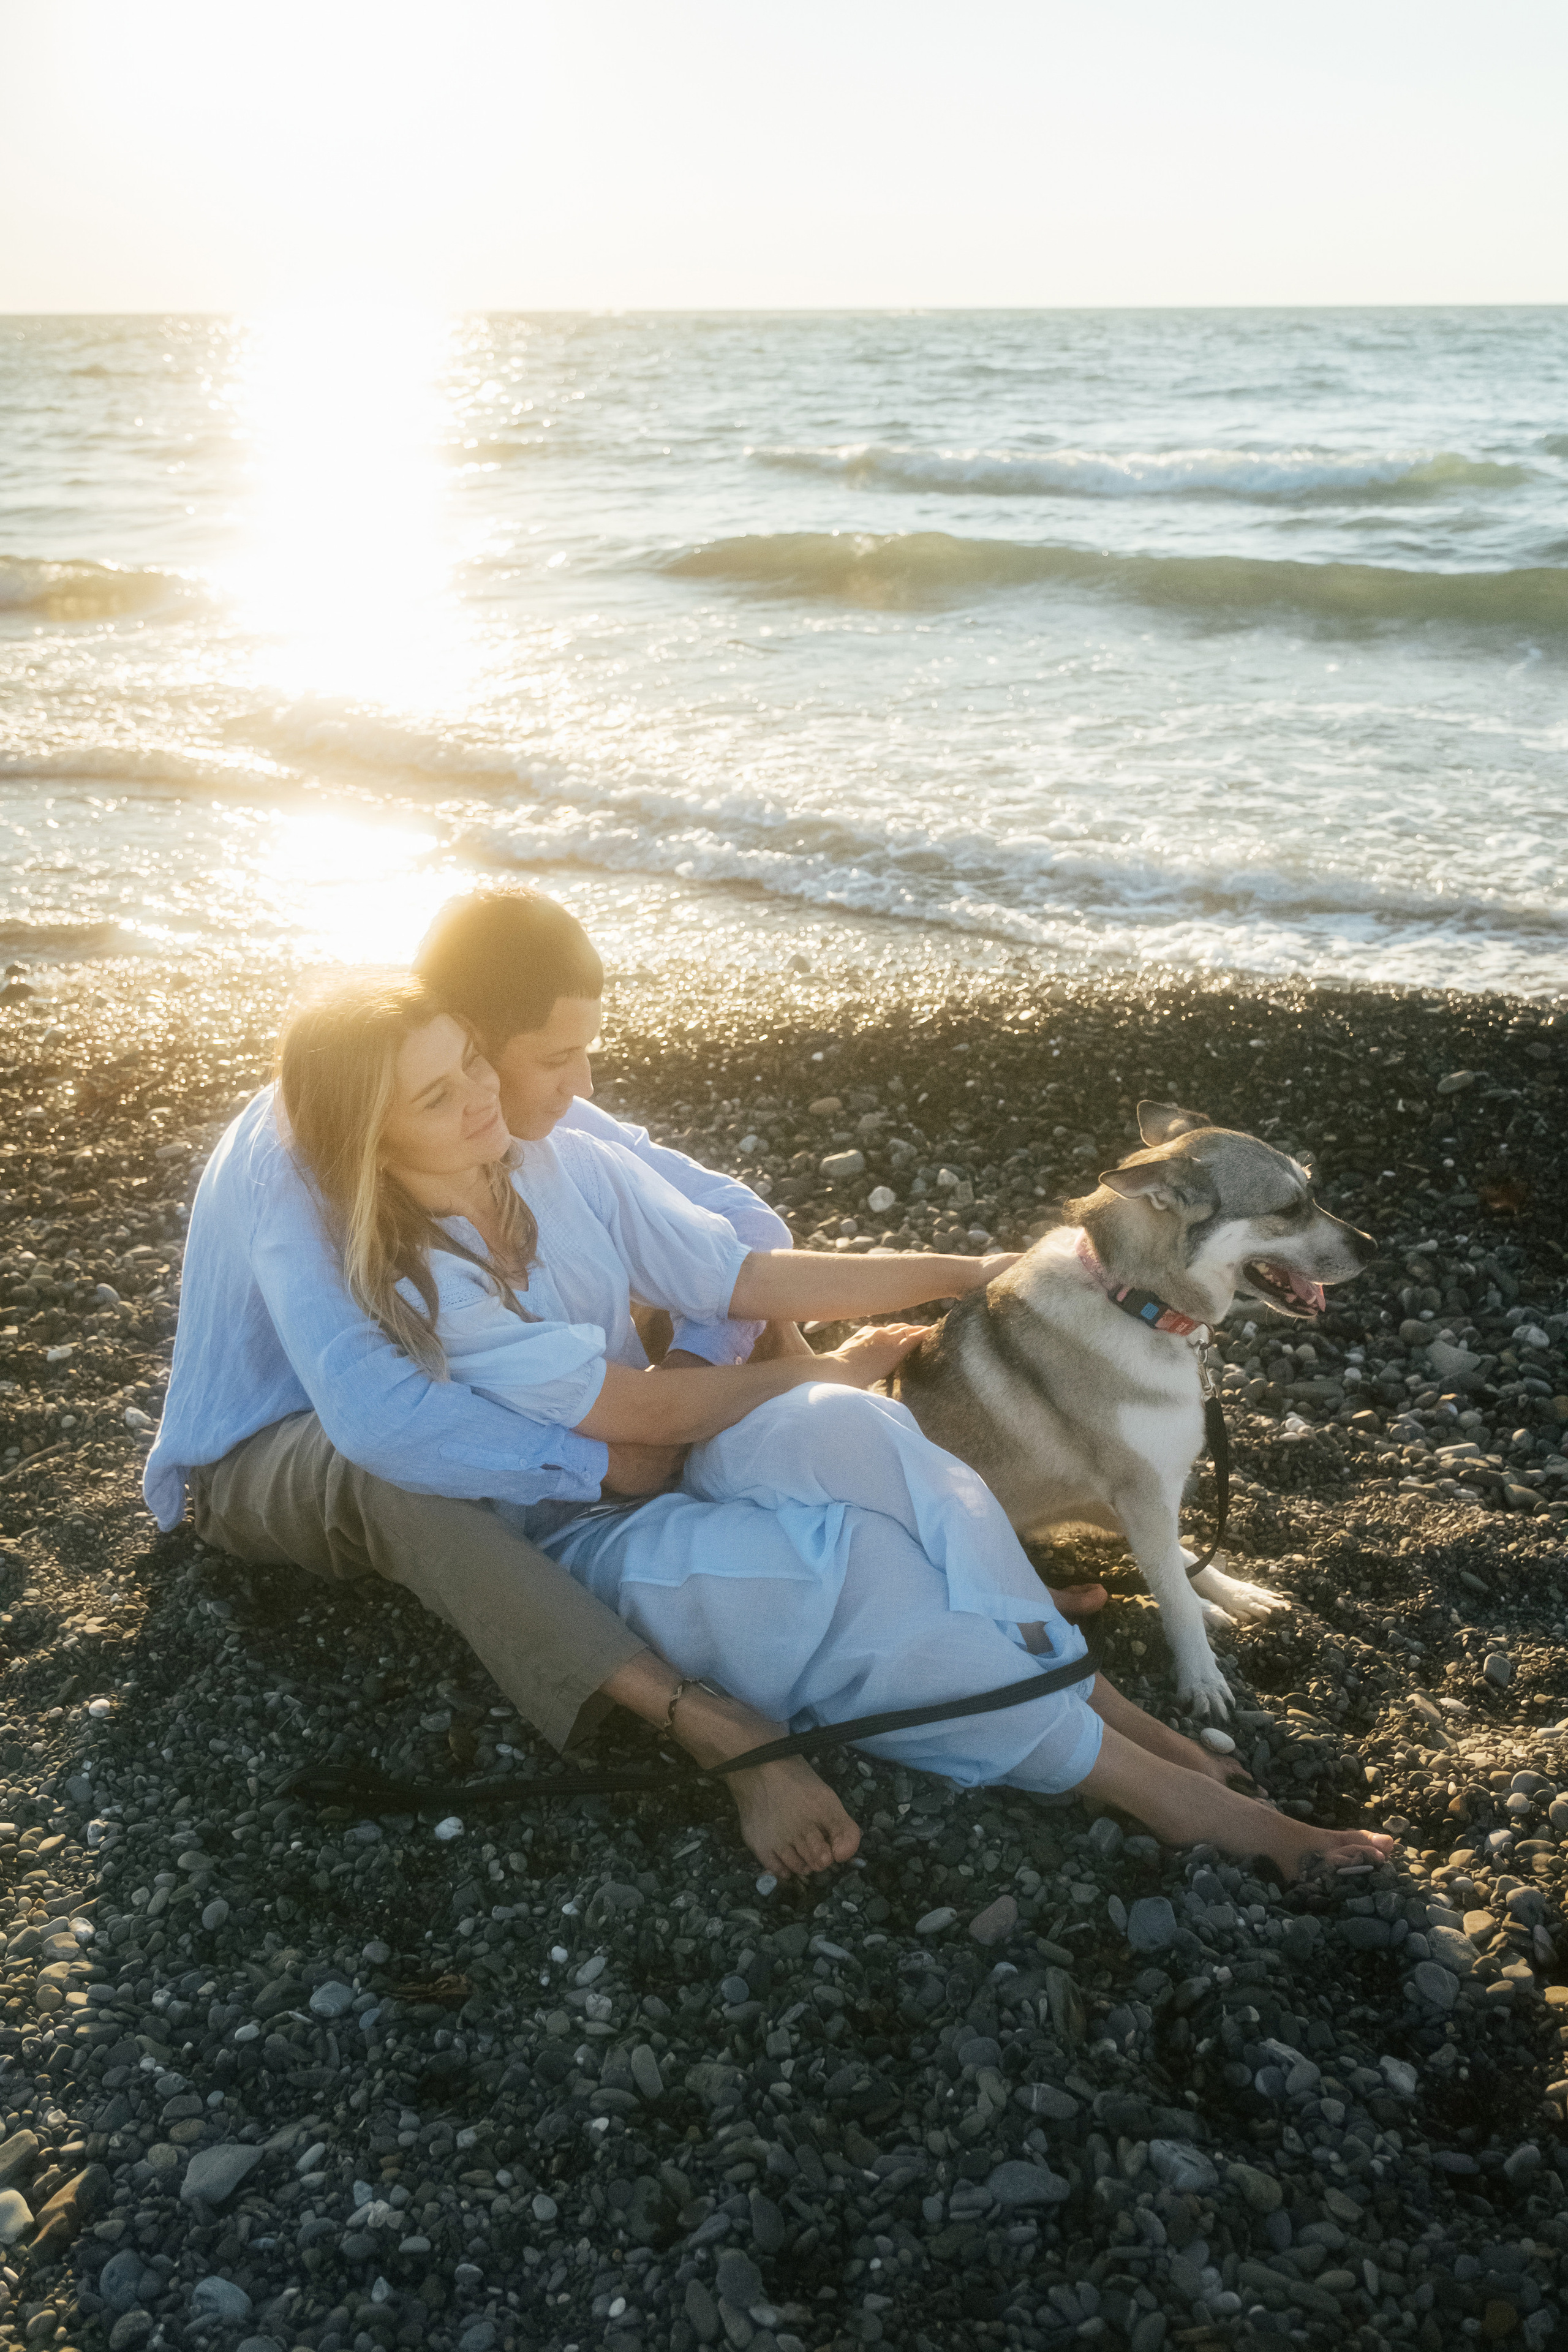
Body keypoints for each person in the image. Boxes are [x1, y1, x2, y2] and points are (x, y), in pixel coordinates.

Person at [271, 968, 1395, 1884]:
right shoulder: (424, 1280)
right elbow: (643, 1413)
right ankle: (1171, 1796)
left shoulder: (556, 1163)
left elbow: (742, 1276)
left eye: (470, 1062)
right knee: (855, 1563)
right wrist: (842, 1365)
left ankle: (1102, 1702)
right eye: (435, 1097)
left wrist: (976, 1272)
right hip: (585, 1530)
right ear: (372, 1138)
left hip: (679, 1454)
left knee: (864, 1438)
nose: (479, 1097)